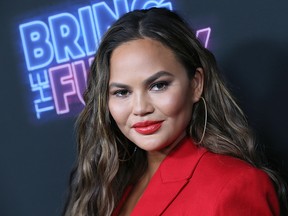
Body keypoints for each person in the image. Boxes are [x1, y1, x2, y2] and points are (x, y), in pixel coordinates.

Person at [63, 7, 287, 216]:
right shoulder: (109, 186)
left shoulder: (235, 186)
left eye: (158, 85)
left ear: (196, 84)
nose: (140, 108)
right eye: (122, 92)